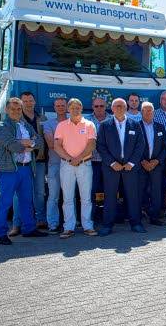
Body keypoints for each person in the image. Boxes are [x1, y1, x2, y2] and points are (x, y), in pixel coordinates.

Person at [0, 97, 47, 245]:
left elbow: (40, 142)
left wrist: (27, 143)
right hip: (8, 170)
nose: (16, 111)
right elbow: (13, 146)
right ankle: (0, 233)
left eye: (18, 109)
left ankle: (29, 228)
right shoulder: (2, 127)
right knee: (5, 202)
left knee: (26, 200)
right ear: (6, 109)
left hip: (26, 168)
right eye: (13, 109)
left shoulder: (25, 125)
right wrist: (26, 144)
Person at [97, 98, 146, 236]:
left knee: (133, 196)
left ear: (126, 108)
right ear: (112, 109)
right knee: (110, 196)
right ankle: (107, 225)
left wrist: (131, 163)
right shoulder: (104, 125)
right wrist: (112, 163)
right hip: (111, 168)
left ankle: (136, 223)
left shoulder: (134, 124)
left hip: (130, 167)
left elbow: (140, 145)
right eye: (117, 106)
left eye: (122, 106)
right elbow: (100, 146)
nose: (119, 108)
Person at [53, 98, 98, 239]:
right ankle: (68, 227)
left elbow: (92, 145)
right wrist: (69, 159)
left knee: (86, 198)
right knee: (67, 198)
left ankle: (88, 226)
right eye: (72, 108)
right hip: (67, 165)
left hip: (84, 164)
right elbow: (57, 146)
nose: (75, 110)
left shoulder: (89, 124)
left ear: (81, 109)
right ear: (68, 109)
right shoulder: (61, 125)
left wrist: (78, 158)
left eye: (77, 108)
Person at [10, 91, 48, 235]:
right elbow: (14, 142)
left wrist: (30, 143)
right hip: (21, 163)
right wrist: (30, 143)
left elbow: (41, 141)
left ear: (35, 102)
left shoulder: (42, 118)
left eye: (30, 100)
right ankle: (16, 224)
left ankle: (40, 220)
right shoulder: (16, 120)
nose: (28, 103)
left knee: (39, 192)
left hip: (39, 160)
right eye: (25, 101)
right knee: (18, 194)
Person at [139, 102, 166, 226]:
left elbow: (165, 147)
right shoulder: (136, 126)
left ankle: (155, 216)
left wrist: (157, 161)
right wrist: (143, 161)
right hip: (141, 165)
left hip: (156, 165)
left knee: (156, 191)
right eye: (145, 110)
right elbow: (133, 146)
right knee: (141, 191)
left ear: (153, 112)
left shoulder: (160, 127)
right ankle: (142, 213)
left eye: (150, 110)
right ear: (141, 112)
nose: (148, 112)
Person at [42, 97, 68, 234]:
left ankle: (70, 222)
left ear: (67, 107)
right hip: (55, 164)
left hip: (70, 164)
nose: (60, 108)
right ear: (54, 107)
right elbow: (51, 144)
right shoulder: (48, 124)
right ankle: (53, 224)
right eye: (58, 106)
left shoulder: (73, 122)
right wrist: (70, 144)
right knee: (53, 196)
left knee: (70, 196)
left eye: (63, 105)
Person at [85, 97, 111, 222]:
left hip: (109, 162)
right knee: (91, 190)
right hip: (91, 161)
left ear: (106, 107)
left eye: (102, 106)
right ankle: (91, 217)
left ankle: (109, 217)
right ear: (92, 107)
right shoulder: (86, 121)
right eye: (96, 106)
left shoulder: (112, 119)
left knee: (110, 190)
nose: (99, 108)